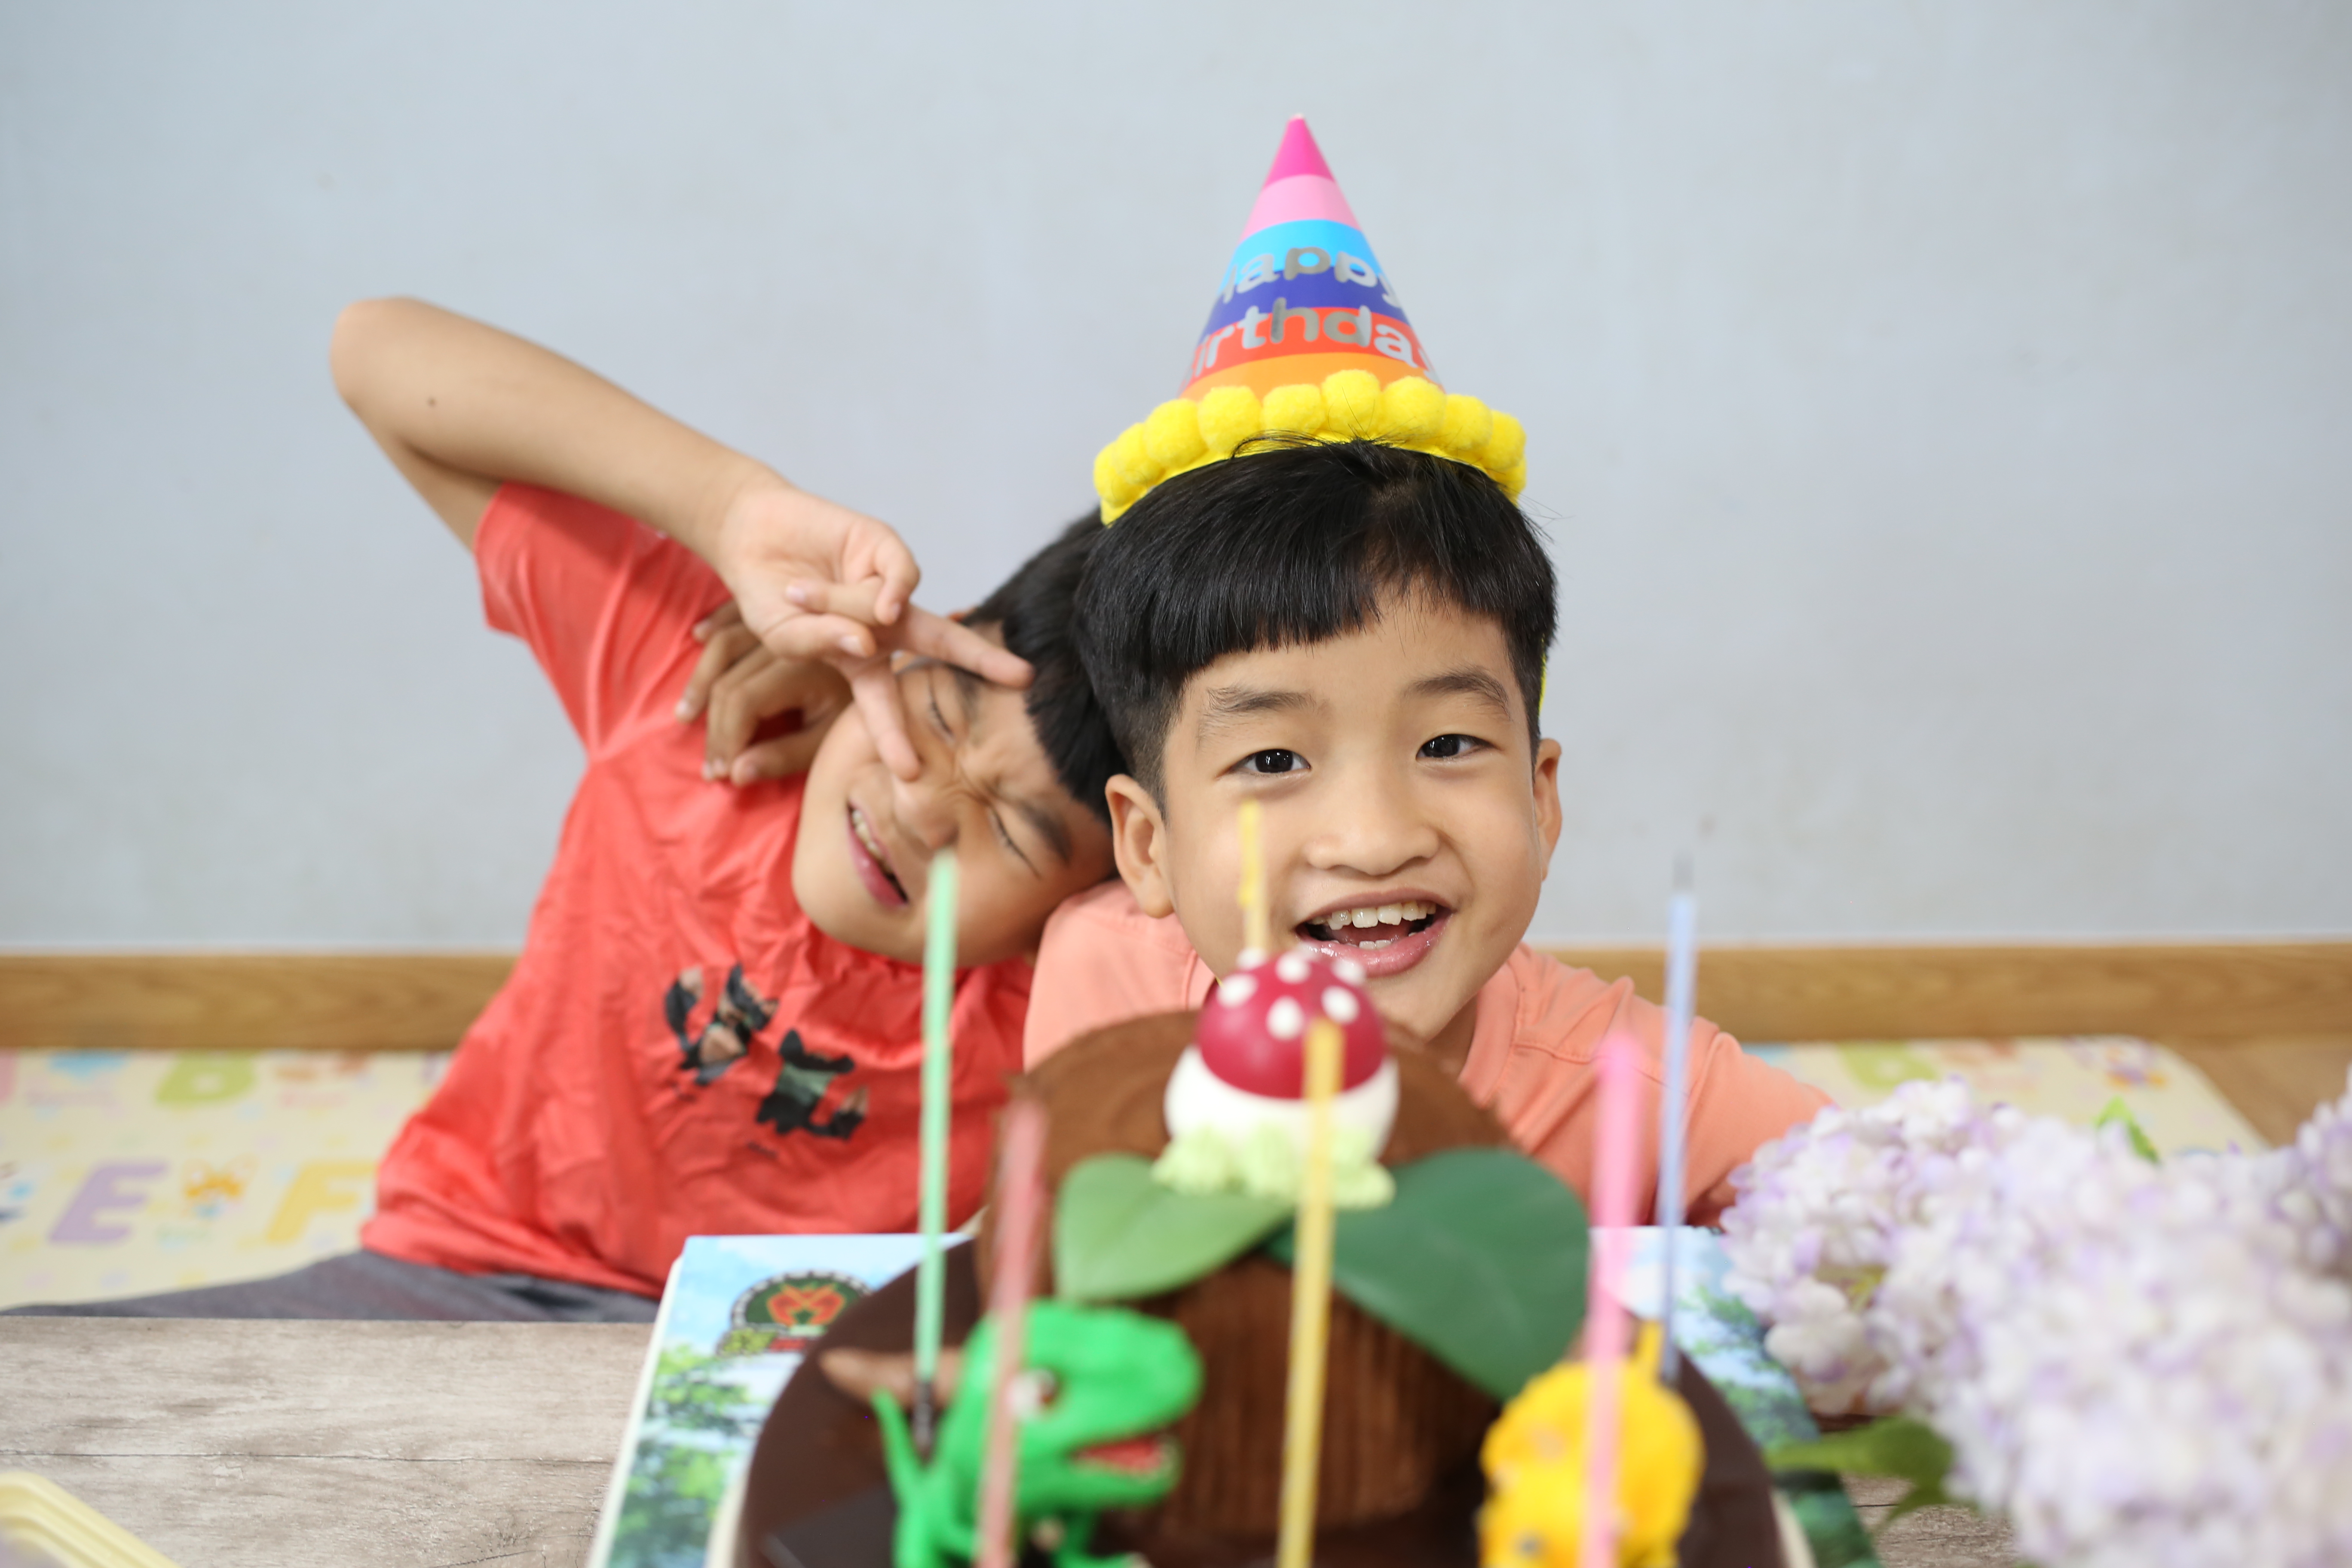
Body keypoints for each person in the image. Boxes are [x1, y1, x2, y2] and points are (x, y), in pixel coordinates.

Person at [9, 300, 1121, 1320]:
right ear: (916, 641)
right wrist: (730, 507)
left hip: (778, 1351)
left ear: (1120, 868)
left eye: (1012, 833)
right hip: (460, 1271)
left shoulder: (1078, 980)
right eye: (937, 713)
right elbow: (376, 354)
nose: (924, 803)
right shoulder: (696, 686)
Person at [1023, 118, 1824, 1225]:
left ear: (1541, 795)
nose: (1373, 837)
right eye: (1273, 759)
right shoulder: (1104, 984)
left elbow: (1894, 1211)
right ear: (1148, 845)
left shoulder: (1647, 1093)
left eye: (1447, 744)